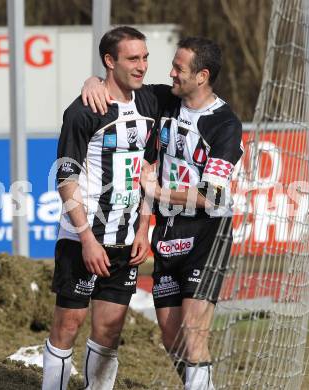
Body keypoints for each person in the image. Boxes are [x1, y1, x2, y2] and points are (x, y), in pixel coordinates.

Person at [82, 36, 243, 390]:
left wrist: (157, 191)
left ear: (201, 76)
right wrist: (91, 81)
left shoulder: (225, 125)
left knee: (193, 333)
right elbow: (119, 82)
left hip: (207, 235)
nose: (170, 72)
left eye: (179, 68)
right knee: (172, 339)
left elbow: (212, 195)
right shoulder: (164, 99)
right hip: (168, 235)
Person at [42, 26, 159, 390]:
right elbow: (66, 179)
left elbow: (148, 172)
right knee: (67, 326)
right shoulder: (83, 111)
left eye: (145, 58)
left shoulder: (151, 102)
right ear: (110, 61)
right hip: (83, 240)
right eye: (132, 59)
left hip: (126, 242)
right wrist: (86, 238)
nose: (142, 67)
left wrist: (143, 229)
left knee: (109, 333)